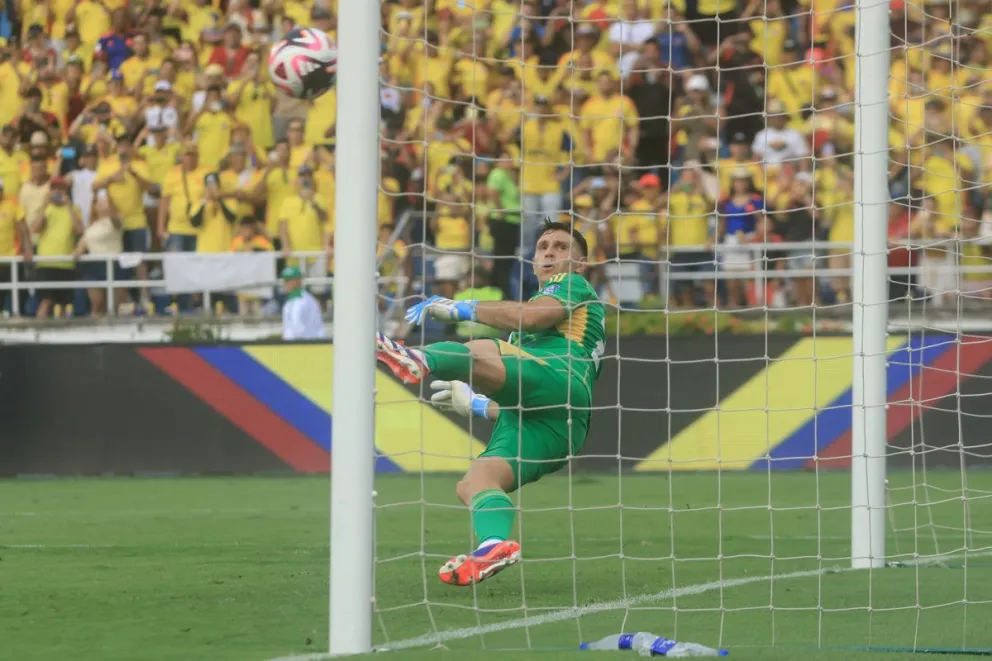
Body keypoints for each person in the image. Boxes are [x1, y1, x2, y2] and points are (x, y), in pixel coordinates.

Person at [376, 220, 606, 586]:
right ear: (532, 261)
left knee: (483, 349)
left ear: (580, 264)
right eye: (543, 246)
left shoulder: (572, 285)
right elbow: (528, 387)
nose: (549, 251)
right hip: (557, 424)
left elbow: (534, 317)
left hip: (563, 378)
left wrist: (462, 308)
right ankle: (494, 546)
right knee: (475, 482)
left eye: (561, 247)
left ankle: (418, 359)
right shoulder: (528, 320)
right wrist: (479, 406)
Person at [280, 266, 325, 340]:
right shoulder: (292, 300)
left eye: (288, 280)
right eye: (285, 281)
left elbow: (297, 328)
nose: (285, 284)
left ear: (298, 281)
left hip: (305, 346)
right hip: (298, 345)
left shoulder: (302, 300)